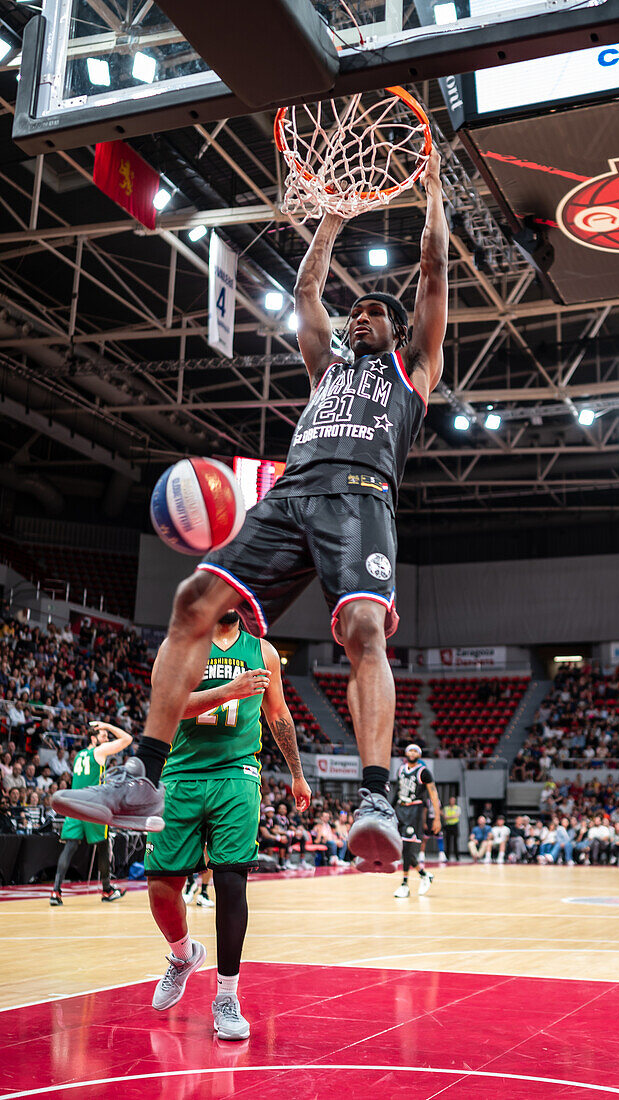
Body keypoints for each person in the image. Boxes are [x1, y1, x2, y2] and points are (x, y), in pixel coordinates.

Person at [52, 150, 449, 877]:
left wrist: (431, 193)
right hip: (292, 493)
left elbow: (432, 273)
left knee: (364, 628)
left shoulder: (411, 371)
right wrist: (333, 212)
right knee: (193, 600)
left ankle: (374, 798)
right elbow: (305, 289)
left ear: (395, 333)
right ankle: (140, 773)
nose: (359, 319)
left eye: (371, 314)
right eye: (355, 313)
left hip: (360, 497)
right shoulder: (327, 369)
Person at [143, 611, 311, 1040]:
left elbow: (279, 716)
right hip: (179, 775)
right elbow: (167, 706)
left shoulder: (264, 652)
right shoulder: (178, 645)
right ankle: (183, 956)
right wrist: (230, 690)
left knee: (231, 881)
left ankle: (227, 996)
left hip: (238, 774)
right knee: (162, 887)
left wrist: (296, 772)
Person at [49, 721, 132, 906]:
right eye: (103, 735)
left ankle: (55, 891)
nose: (106, 738)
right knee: (103, 845)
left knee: (69, 847)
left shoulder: (79, 755)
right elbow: (128, 739)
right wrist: (108, 725)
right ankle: (107, 889)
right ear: (93, 738)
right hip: (93, 805)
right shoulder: (99, 752)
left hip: (74, 804)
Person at [393, 744, 441, 898]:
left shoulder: (423, 772)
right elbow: (397, 792)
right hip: (400, 809)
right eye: (410, 750)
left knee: (407, 846)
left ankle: (404, 885)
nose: (412, 753)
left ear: (419, 755)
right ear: (406, 753)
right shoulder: (400, 770)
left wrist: (437, 818)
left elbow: (434, 795)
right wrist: (390, 810)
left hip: (414, 811)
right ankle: (424, 874)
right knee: (402, 848)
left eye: (415, 751)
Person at [443, 795, 461, 861]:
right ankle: (447, 856)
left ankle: (457, 856)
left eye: (453, 800)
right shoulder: (446, 808)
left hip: (454, 825)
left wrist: (449, 817)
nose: (452, 801)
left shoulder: (457, 808)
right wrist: (450, 817)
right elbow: (444, 816)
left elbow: (457, 815)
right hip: (448, 826)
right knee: (447, 841)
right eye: (451, 800)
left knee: (455, 841)